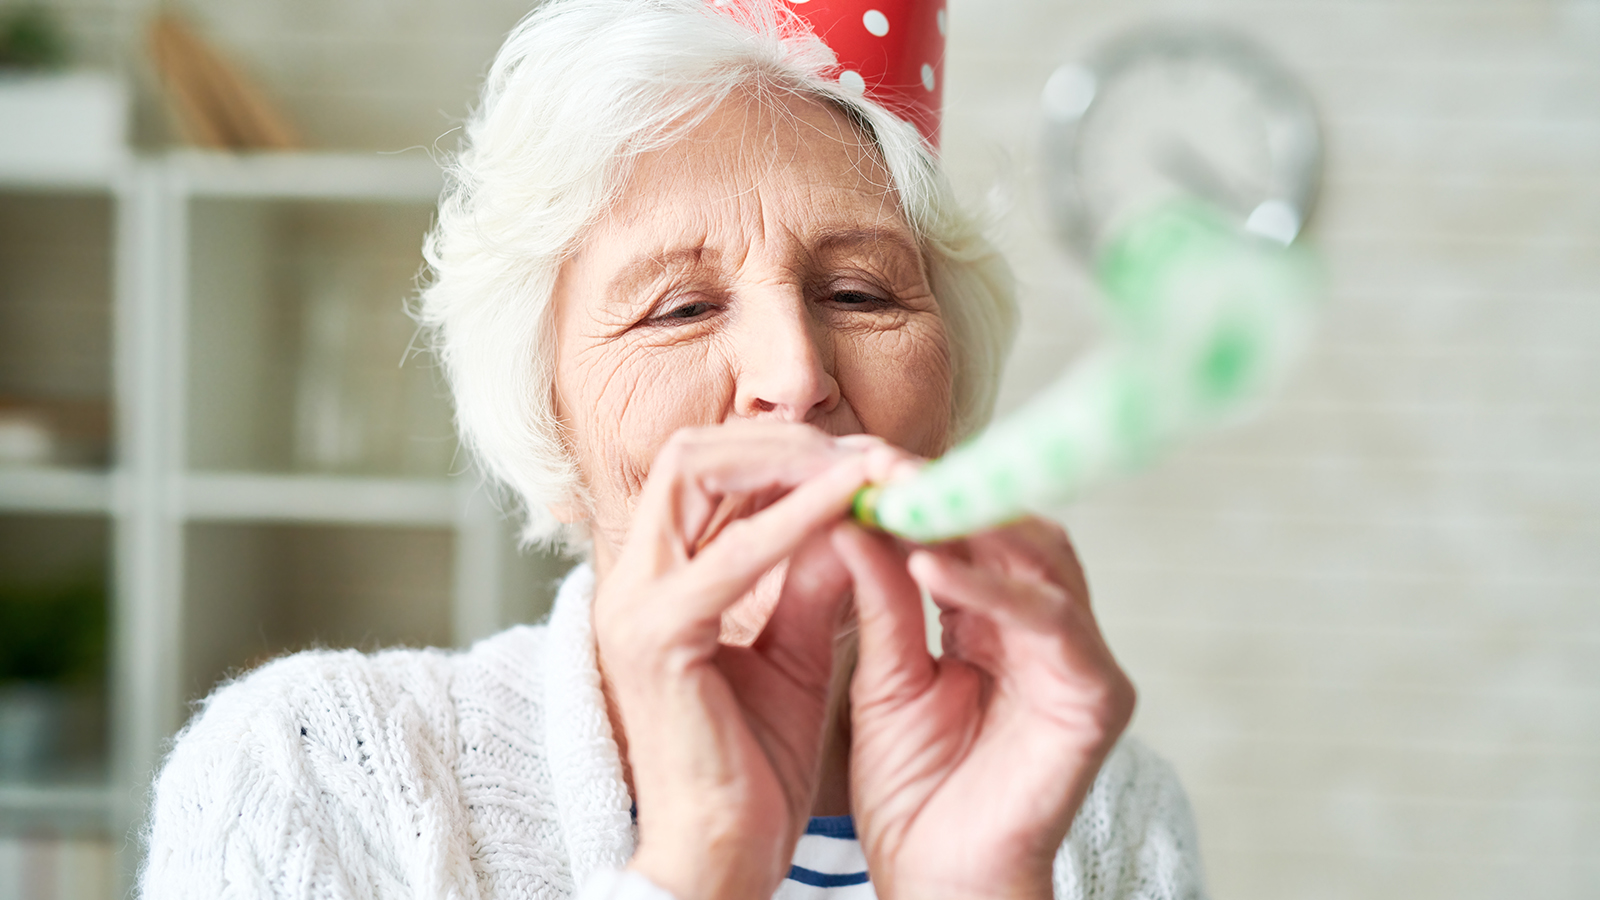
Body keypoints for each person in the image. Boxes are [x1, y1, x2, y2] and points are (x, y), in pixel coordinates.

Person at [140, 1, 1208, 898]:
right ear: (548, 423)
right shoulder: (312, 772)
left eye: (859, 292)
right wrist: (698, 862)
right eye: (680, 308)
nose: (793, 374)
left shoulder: (1108, 815)